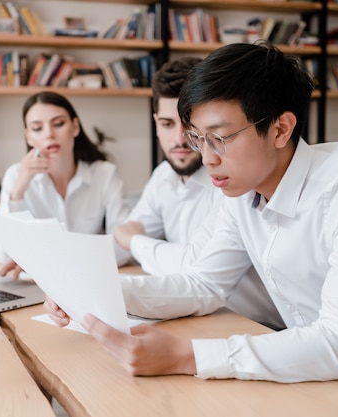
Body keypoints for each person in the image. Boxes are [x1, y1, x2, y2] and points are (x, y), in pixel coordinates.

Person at [45, 42, 338, 395]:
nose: (206, 157)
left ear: (280, 129)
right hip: (327, 381)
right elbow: (203, 283)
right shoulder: (241, 191)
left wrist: (186, 355)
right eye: (198, 138)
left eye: (220, 138)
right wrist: (94, 290)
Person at [114, 57, 283, 329]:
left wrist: (135, 242)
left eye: (189, 126)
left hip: (257, 325)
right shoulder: (164, 176)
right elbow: (122, 238)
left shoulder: (234, 181)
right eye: (168, 125)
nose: (180, 139)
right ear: (156, 123)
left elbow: (193, 268)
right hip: (208, 316)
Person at [0, 91, 130, 279]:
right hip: (36, 285)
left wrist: (43, 261)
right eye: (37, 128)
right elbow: (3, 254)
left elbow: (124, 247)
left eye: (58, 124)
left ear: (75, 127)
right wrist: (18, 192)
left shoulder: (104, 174)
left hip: (90, 281)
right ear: (28, 137)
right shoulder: (15, 176)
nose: (49, 134)